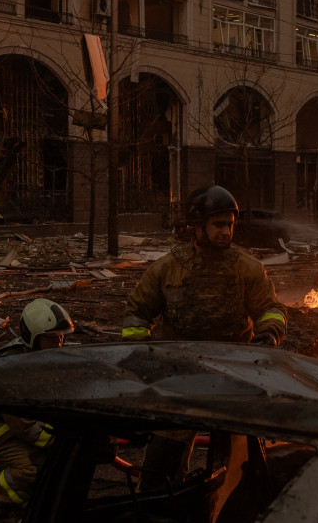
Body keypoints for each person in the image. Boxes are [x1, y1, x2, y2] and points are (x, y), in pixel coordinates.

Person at [121, 185, 287, 492]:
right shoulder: (167, 269)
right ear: (196, 225)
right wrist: (142, 358)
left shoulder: (247, 268)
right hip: (180, 379)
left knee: (240, 470)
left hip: (234, 378)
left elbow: (270, 309)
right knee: (160, 474)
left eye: (230, 224)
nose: (226, 232)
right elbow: (136, 313)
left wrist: (269, 333)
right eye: (218, 224)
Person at [0, 298, 75, 515]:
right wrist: (61, 441)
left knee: (63, 463)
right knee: (35, 468)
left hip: (25, 420)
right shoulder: (13, 368)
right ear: (32, 338)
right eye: (50, 339)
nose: (58, 344)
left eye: (60, 338)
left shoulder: (41, 356)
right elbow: (24, 426)